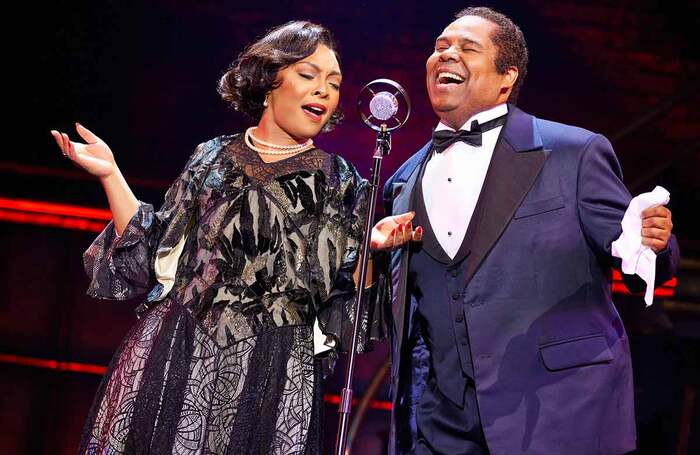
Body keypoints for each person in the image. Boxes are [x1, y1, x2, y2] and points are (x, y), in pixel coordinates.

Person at [51, 21, 394, 454]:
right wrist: (111, 174)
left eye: (334, 83)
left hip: (271, 365)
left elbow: (347, 302)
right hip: (179, 351)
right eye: (309, 76)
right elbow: (153, 254)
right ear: (271, 80)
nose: (324, 91)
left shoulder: (340, 180)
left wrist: (374, 248)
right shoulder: (210, 156)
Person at [375, 6, 680, 455]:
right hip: (441, 427)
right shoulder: (402, 179)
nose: (446, 54)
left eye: (467, 47)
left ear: (506, 77)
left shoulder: (573, 152)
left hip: (557, 415)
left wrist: (651, 243)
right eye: (440, 47)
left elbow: (637, 259)